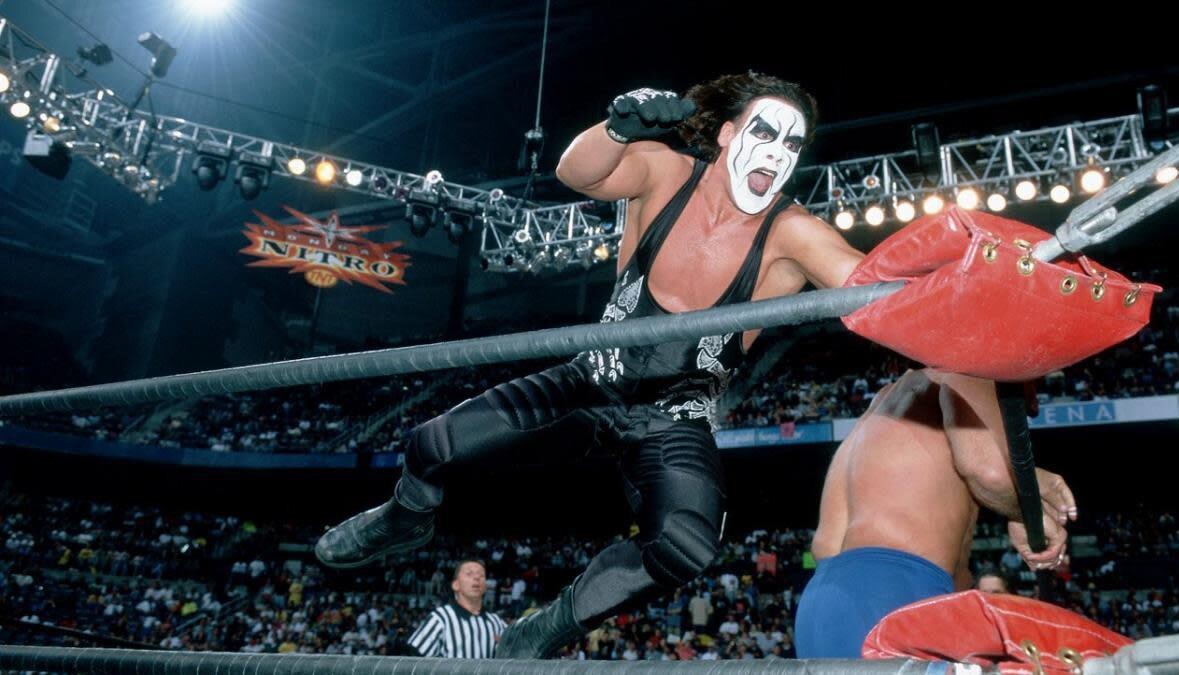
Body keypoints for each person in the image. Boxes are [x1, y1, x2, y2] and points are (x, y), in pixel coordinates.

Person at [316, 71, 864, 658]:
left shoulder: (792, 232)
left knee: (687, 544)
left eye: (792, 143)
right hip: (594, 381)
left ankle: (548, 627)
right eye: (766, 133)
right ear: (728, 134)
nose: (778, 153)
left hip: (676, 417)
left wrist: (942, 262)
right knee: (433, 442)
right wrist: (617, 128)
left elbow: (867, 282)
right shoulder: (666, 171)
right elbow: (577, 172)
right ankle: (404, 515)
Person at [794, 370, 1077, 658]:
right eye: (1038, 383)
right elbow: (989, 473)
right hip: (892, 592)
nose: (1034, 406)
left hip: (819, 603)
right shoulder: (970, 370)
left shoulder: (882, 403)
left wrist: (1018, 501)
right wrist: (1028, 510)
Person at [408, 560, 506, 658]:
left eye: (481, 575)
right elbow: (414, 658)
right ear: (456, 585)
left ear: (485, 587)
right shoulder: (440, 618)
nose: (476, 578)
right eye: (469, 574)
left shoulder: (496, 622)